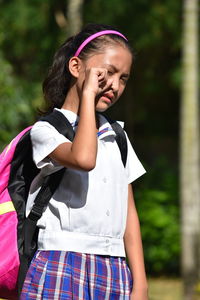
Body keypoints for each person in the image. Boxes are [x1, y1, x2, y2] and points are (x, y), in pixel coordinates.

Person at [20, 23, 148, 300]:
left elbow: (129, 213)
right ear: (76, 67)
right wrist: (88, 96)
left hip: (114, 266)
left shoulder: (117, 136)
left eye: (124, 78)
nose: (114, 85)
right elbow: (83, 158)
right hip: (60, 261)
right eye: (108, 72)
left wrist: (140, 283)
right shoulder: (46, 131)